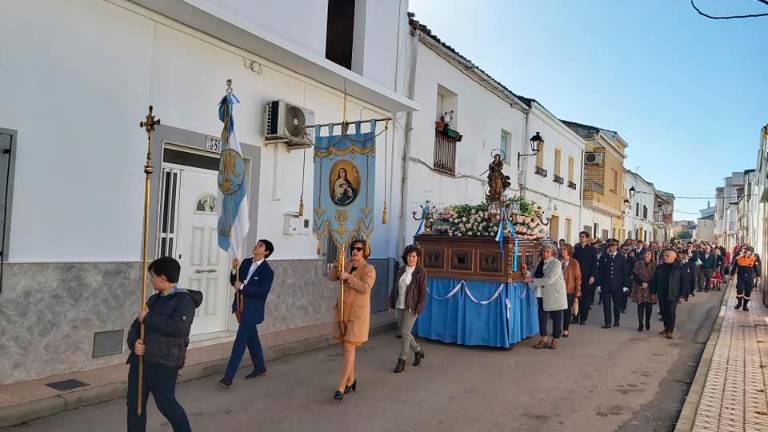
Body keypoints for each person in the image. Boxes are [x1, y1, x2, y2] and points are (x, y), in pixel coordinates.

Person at [126, 257, 202, 432]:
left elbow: (179, 328)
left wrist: (149, 318)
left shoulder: (184, 301)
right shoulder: (154, 300)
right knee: (135, 406)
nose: (151, 279)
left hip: (164, 363)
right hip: (141, 362)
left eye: (152, 276)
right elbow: (136, 326)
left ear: (163, 277)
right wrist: (134, 344)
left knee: (166, 405)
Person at [219, 240, 275, 388]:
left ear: (266, 252)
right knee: (252, 339)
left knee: (240, 343)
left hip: (252, 311)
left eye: (261, 246)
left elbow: (262, 292)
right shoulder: (245, 262)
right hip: (240, 306)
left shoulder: (267, 271)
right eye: (257, 244)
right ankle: (260, 366)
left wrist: (243, 286)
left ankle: (228, 377)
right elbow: (234, 281)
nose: (257, 246)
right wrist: (233, 269)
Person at [329, 239, 376, 400]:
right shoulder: (347, 264)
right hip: (343, 312)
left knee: (349, 347)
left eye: (358, 249)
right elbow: (332, 277)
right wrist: (338, 263)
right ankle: (351, 380)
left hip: (357, 314)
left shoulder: (369, 269)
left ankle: (342, 386)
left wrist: (348, 277)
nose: (355, 251)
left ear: (365, 252)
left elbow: (365, 288)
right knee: (346, 346)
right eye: (353, 249)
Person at [388, 244, 427, 373]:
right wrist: (391, 301)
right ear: (406, 257)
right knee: (405, 332)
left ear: (418, 258)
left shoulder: (420, 273)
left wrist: (419, 308)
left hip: (412, 306)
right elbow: (395, 288)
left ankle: (402, 360)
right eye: (409, 256)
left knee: (404, 332)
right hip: (400, 304)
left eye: (414, 256)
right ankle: (417, 351)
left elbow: (422, 293)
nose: (411, 259)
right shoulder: (401, 270)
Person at [530, 244, 568, 349]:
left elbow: (549, 279)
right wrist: (526, 273)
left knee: (557, 317)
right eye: (544, 251)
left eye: (547, 252)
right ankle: (544, 338)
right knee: (542, 316)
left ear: (552, 253)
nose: (545, 254)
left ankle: (555, 339)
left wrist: (532, 280)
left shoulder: (556, 263)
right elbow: (534, 273)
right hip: (541, 293)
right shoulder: (540, 262)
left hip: (554, 295)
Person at [595, 239, 631, 328]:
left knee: (617, 304)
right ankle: (607, 322)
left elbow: (625, 272)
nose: (611, 247)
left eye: (613, 246)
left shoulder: (621, 258)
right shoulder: (604, 257)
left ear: (617, 247)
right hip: (606, 284)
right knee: (606, 304)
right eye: (610, 246)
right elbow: (600, 271)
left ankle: (616, 320)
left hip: (618, 285)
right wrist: (598, 284)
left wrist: (626, 285)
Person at [651, 249, 685, 339]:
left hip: (673, 293)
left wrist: (683, 295)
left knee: (670, 312)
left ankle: (670, 330)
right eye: (664, 255)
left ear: (674, 257)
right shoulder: (660, 267)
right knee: (663, 312)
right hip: (662, 293)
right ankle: (666, 327)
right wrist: (653, 292)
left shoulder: (679, 268)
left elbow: (684, 282)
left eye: (667, 256)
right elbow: (655, 280)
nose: (665, 257)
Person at [573, 231, 598, 324]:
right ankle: (575, 316)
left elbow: (594, 264)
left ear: (587, 238)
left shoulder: (592, 250)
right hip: (577, 277)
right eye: (580, 236)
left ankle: (583, 318)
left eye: (583, 237)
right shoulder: (577, 248)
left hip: (587, 277)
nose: (581, 238)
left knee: (586, 299)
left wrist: (593, 276)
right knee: (576, 297)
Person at [631, 250, 657, 332]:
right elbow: (634, 275)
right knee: (640, 306)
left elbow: (656, 277)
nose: (646, 255)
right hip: (640, 287)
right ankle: (640, 324)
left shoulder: (655, 265)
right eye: (645, 254)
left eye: (648, 254)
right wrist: (642, 282)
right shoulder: (638, 264)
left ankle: (647, 321)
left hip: (650, 288)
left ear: (651, 256)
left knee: (649, 307)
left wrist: (648, 283)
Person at [559, 244, 581, 337]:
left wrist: (578, 290)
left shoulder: (574, 262)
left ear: (569, 251)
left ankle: (565, 329)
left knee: (567, 311)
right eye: (562, 249)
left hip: (569, 290)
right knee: (558, 311)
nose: (562, 251)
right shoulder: (559, 261)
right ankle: (557, 329)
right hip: (558, 290)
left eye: (564, 249)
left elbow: (578, 277)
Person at [730, 246, 760, 311]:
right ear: (744, 251)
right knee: (740, 290)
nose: (746, 252)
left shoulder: (753, 259)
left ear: (750, 252)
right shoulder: (738, 258)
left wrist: (758, 276)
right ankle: (739, 303)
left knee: (748, 292)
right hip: (741, 277)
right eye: (745, 251)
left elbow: (756, 268)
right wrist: (732, 275)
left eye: (748, 251)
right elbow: (734, 267)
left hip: (750, 278)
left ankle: (745, 306)